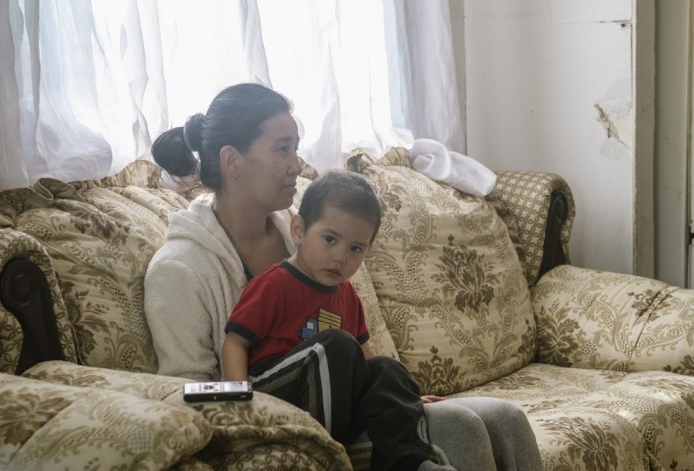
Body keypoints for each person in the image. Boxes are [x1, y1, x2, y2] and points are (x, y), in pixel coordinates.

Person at [145, 82, 544, 471]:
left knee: (506, 419)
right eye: (282, 148)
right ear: (232, 161)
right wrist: (247, 402)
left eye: (296, 148)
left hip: (351, 409)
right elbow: (181, 394)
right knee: (459, 427)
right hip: (274, 429)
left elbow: (356, 350)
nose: (296, 164)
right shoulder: (180, 270)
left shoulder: (310, 235)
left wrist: (400, 398)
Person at [222, 170, 453, 471]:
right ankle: (327, 456)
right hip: (275, 391)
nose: (340, 257)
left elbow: (366, 364)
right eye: (330, 239)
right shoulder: (274, 283)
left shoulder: (348, 294)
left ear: (367, 251)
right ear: (299, 230)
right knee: (334, 346)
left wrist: (403, 398)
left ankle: (409, 461)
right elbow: (235, 343)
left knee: (386, 366)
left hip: (332, 400)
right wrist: (239, 402)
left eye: (355, 248)